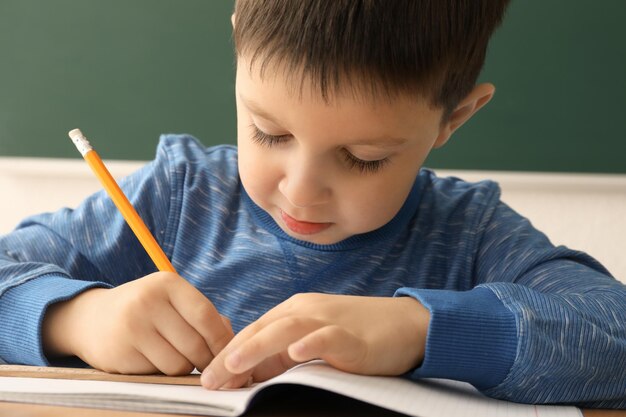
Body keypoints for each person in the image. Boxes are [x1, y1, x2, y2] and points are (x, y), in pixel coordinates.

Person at [0, 0, 624, 408]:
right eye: (269, 134)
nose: (299, 190)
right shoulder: (179, 193)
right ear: (240, 37)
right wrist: (75, 319)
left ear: (452, 118)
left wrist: (422, 331)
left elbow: (611, 334)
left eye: (364, 157)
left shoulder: (472, 233)